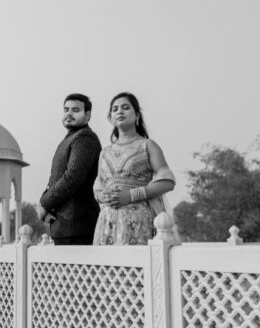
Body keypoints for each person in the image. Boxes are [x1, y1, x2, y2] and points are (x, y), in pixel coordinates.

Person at [92, 92, 175, 245]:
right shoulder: (105, 152)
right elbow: (98, 185)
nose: (119, 111)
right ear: (110, 118)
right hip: (107, 223)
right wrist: (101, 196)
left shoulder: (147, 145)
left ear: (137, 116)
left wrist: (130, 195)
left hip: (138, 222)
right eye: (115, 109)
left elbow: (168, 181)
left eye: (125, 108)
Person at [38, 93, 102, 245]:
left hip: (77, 223)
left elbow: (72, 178)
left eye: (75, 110)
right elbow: (54, 178)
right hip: (65, 224)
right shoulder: (70, 138)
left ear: (87, 115)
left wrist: (45, 204)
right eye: (66, 109)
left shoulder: (85, 137)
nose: (69, 113)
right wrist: (44, 205)